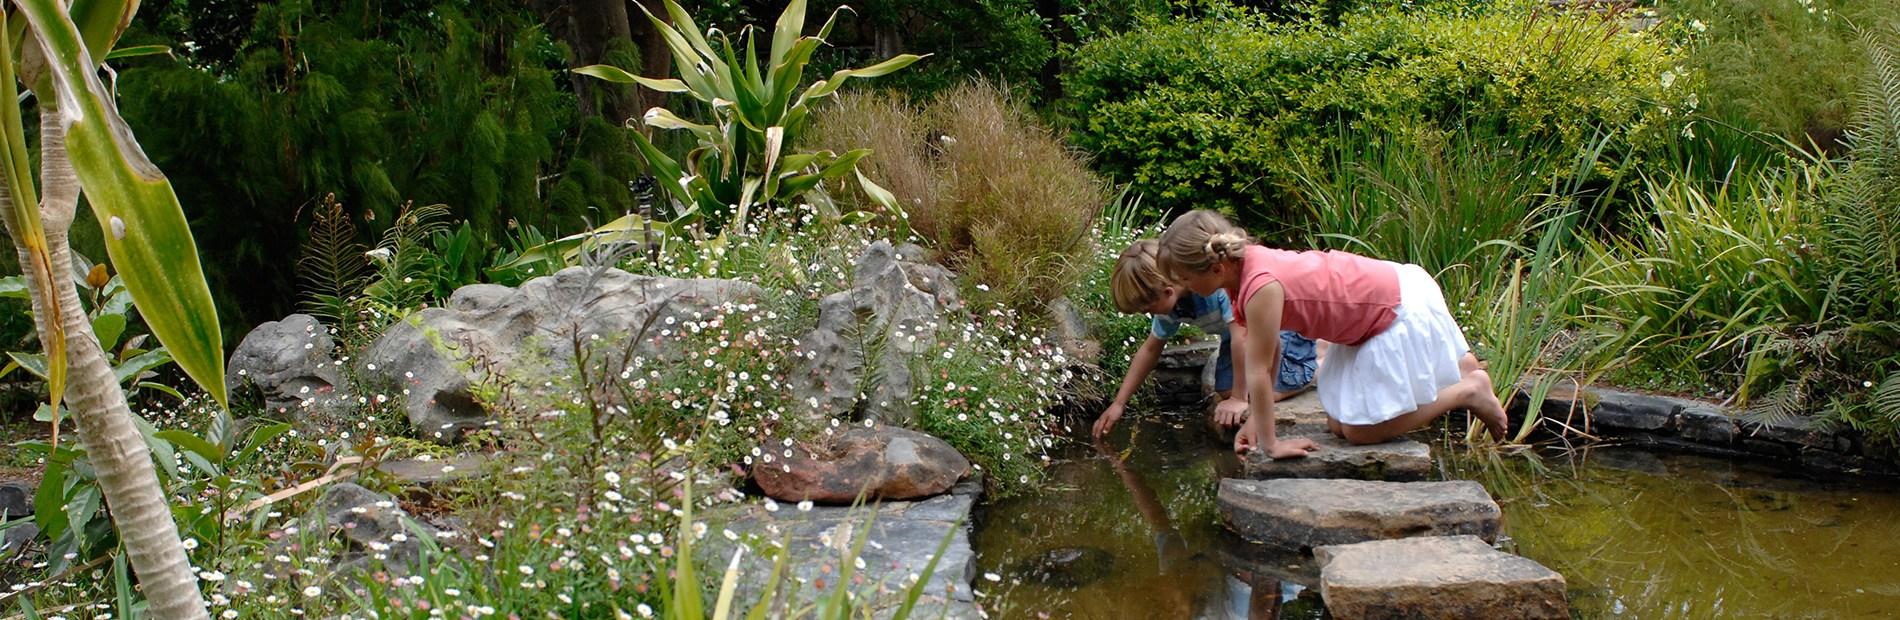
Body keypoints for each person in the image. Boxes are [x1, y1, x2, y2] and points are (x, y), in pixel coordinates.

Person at [1155, 210, 1508, 459]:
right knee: (1338, 425)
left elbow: (1258, 371)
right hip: (1367, 313)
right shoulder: (1242, 271)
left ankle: (1467, 390)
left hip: (1392, 309)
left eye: (1184, 279)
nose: (1182, 288)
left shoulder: (1260, 285)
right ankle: (1462, 375)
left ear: (1215, 267)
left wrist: (1272, 443)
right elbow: (1272, 348)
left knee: (1357, 432)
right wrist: (1257, 424)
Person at [1094, 239, 1321, 438]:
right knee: (1224, 392)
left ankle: (1314, 369)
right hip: (1243, 337)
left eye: (1147, 308)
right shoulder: (1171, 305)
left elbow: (1241, 337)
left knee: (1264, 394)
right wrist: (1119, 403)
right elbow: (1150, 350)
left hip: (1278, 328)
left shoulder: (1214, 287)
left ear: (1167, 292)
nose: (1149, 314)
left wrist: (1240, 398)